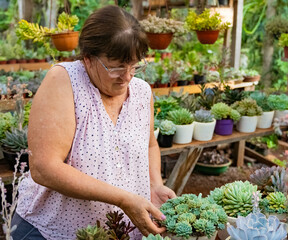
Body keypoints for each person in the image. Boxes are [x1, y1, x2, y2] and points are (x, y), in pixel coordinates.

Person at [11, 5, 176, 240]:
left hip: (117, 232)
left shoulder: (142, 92)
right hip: (51, 231)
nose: (127, 76)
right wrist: (122, 198)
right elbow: (44, 168)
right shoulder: (65, 80)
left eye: (135, 65)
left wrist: (155, 185)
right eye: (117, 66)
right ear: (88, 58)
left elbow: (149, 145)